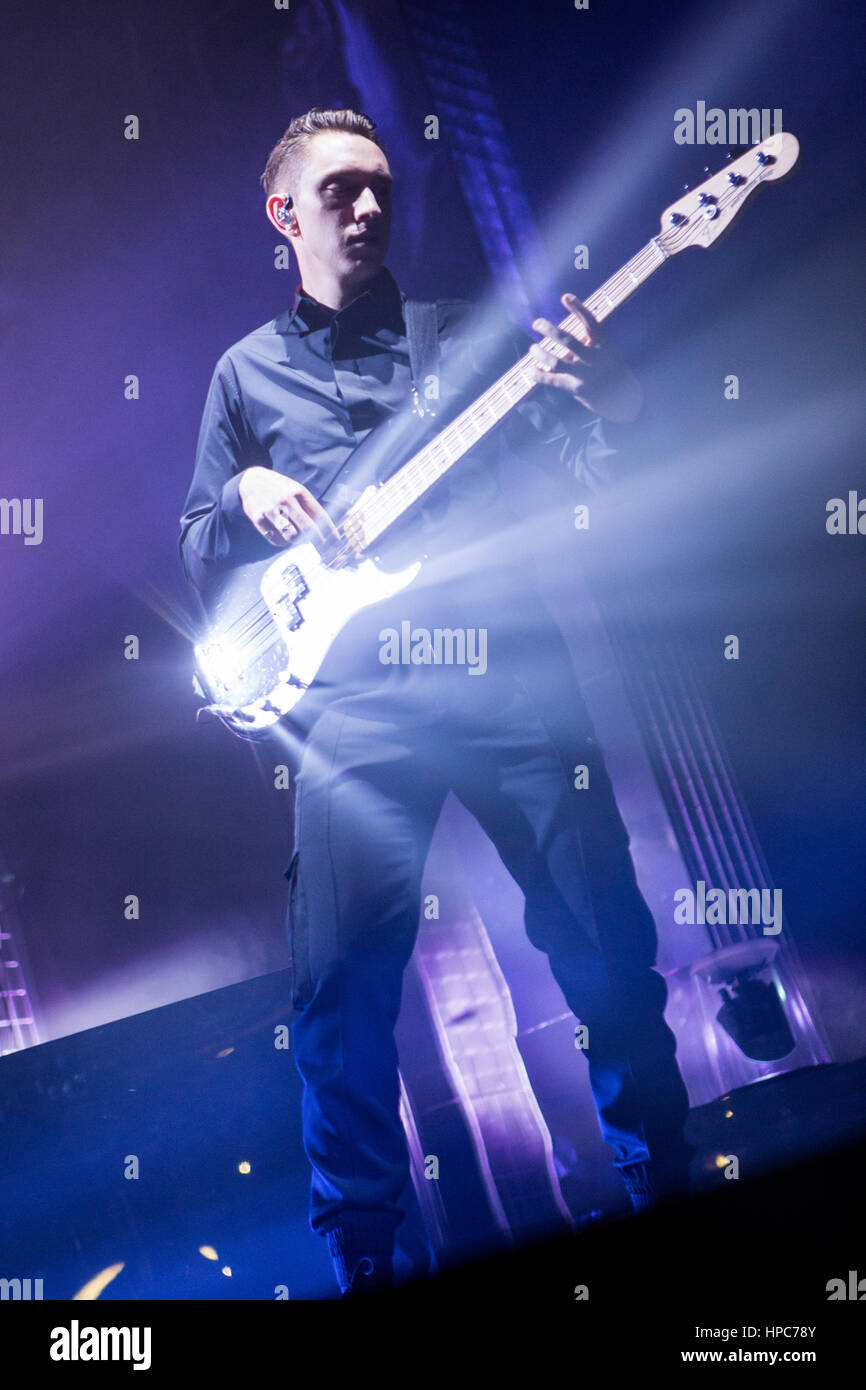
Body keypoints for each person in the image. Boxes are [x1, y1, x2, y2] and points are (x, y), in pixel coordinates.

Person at [179, 107, 694, 1299]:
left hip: (507, 676)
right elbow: (200, 542)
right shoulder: (241, 375)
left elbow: (586, 477)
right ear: (285, 215)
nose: (368, 206)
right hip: (348, 714)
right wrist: (247, 485)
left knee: (603, 945)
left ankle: (655, 1182)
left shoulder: (466, 336)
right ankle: (365, 1253)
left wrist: (609, 400)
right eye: (341, 190)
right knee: (339, 998)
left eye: (380, 188)